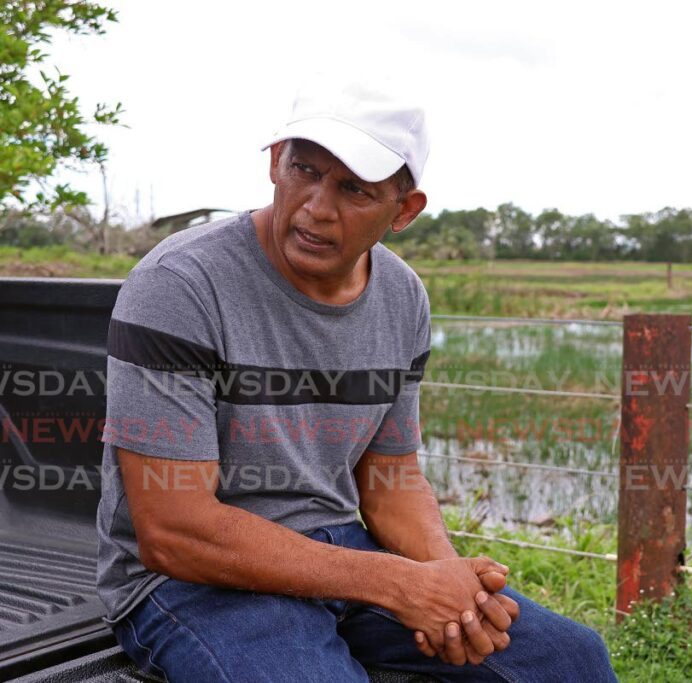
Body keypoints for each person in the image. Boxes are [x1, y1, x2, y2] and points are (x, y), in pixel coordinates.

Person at [95, 79, 618, 682]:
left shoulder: (402, 296)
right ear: (274, 164)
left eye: (354, 190)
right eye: (305, 171)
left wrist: (448, 589)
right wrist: (397, 583)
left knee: (571, 662)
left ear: (404, 210)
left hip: (340, 549)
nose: (318, 206)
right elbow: (174, 531)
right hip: (194, 581)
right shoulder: (182, 284)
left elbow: (391, 477)